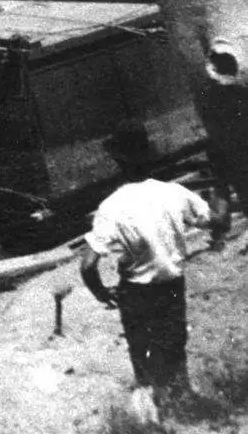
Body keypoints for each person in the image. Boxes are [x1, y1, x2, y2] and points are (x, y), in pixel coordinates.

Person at [80, 119, 230, 410]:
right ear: (150, 155)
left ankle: (150, 412)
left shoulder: (111, 206)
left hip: (134, 291)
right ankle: (182, 402)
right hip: (171, 285)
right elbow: (219, 221)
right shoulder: (173, 193)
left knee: (140, 350)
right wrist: (222, 189)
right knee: (174, 346)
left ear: (117, 161)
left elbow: (87, 265)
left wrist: (100, 293)